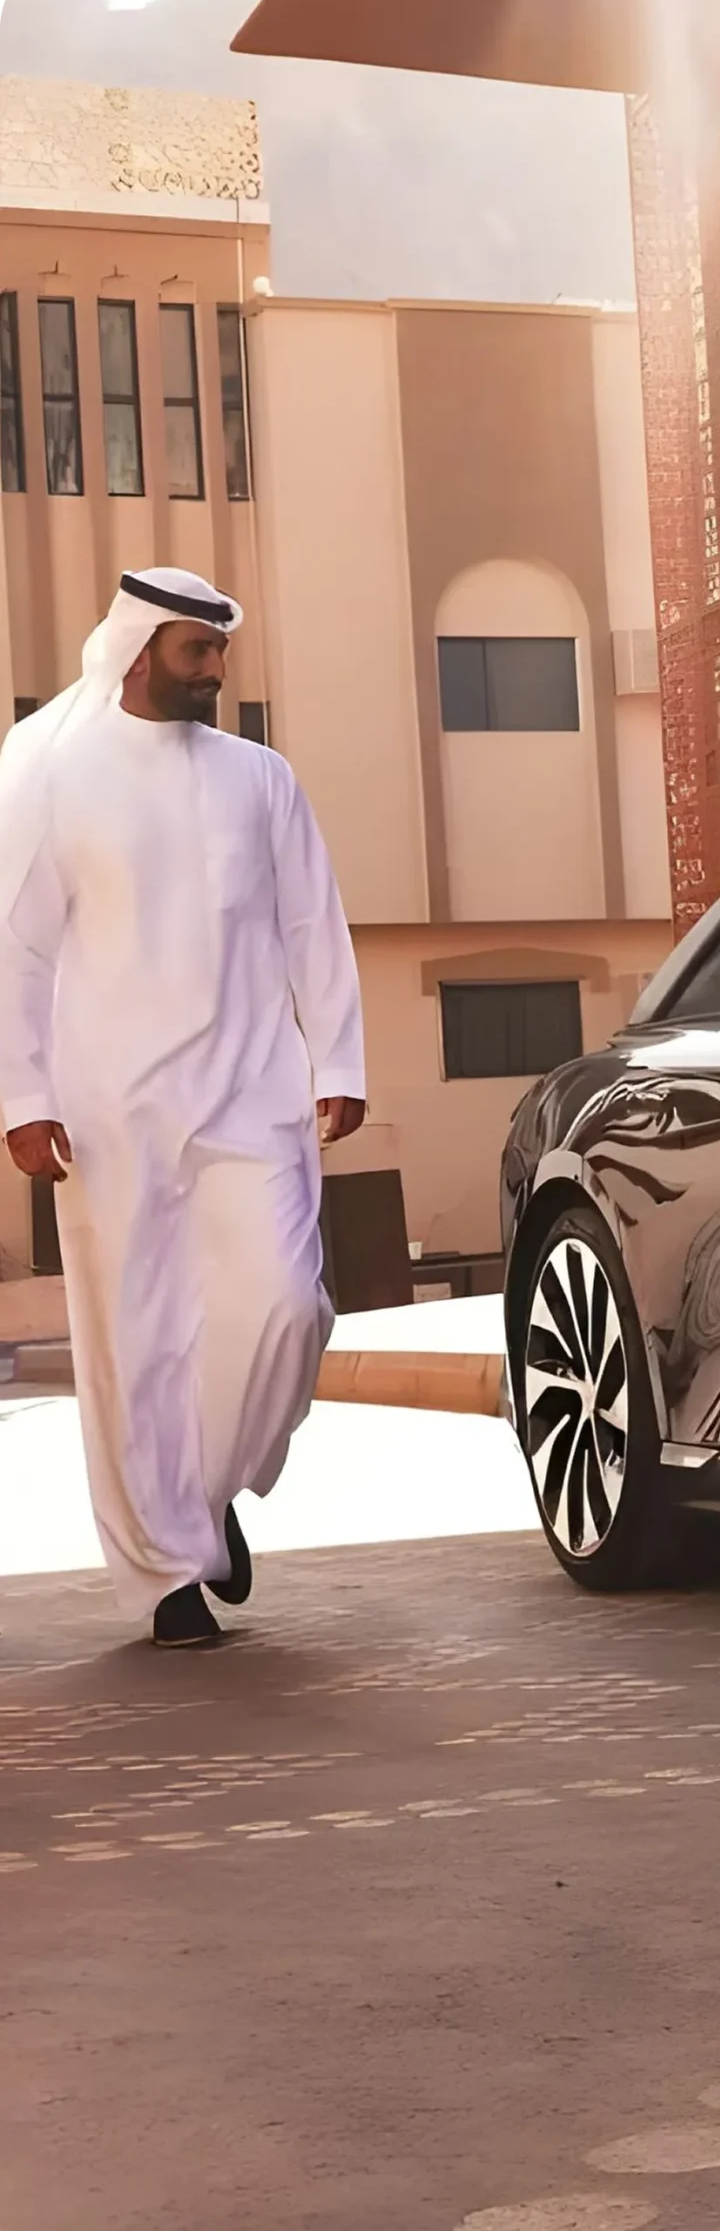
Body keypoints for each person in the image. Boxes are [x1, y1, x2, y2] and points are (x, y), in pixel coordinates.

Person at [0, 570, 366, 1646]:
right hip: (110, 1104)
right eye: (196, 651)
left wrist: (336, 1060)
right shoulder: (53, 777)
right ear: (140, 646)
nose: (215, 670)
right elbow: (15, 948)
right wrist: (22, 1093)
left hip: (252, 1083)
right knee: (137, 1338)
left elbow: (312, 922)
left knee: (287, 1305)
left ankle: (204, 1502)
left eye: (220, 652)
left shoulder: (261, 778)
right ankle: (165, 1572)